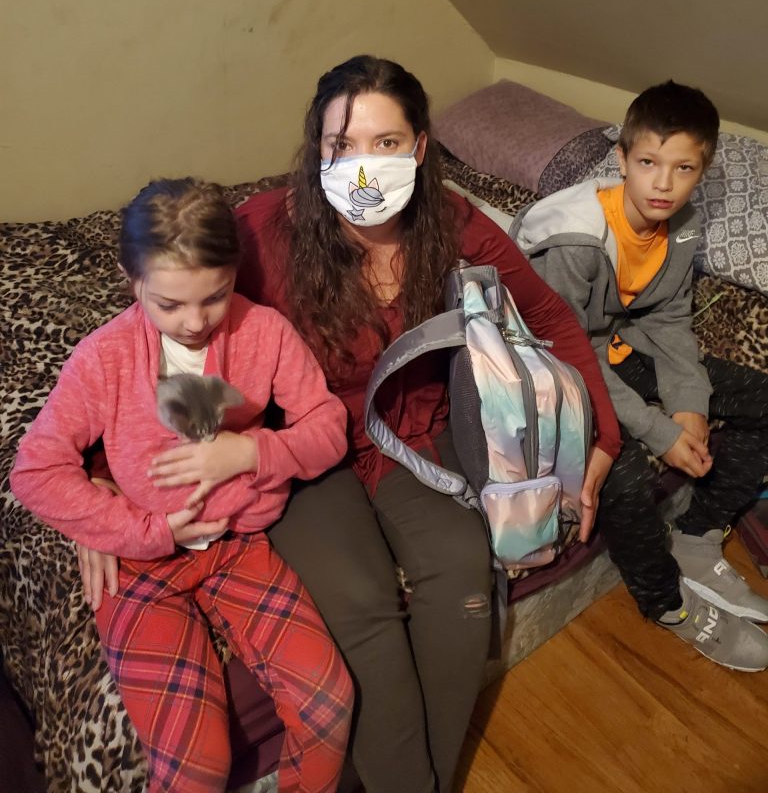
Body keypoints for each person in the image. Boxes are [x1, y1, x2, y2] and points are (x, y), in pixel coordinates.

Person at [76, 57, 621, 793]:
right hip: (299, 453)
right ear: (317, 151)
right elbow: (156, 332)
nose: (363, 165)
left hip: (411, 438)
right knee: (360, 604)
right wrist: (95, 485)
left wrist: (602, 438)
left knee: (462, 580)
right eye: (342, 145)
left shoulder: (454, 225)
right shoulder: (263, 233)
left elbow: (548, 315)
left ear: (420, 148)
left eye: (385, 143)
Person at [11, 178, 353, 793]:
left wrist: (251, 451)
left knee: (328, 704)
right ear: (132, 281)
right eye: (169, 305)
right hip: (140, 566)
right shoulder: (103, 358)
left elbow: (328, 428)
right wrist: (139, 529)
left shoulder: (265, 332)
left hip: (239, 546)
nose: (195, 323)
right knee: (195, 767)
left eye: (215, 297)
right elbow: (36, 470)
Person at [511, 80, 768, 672]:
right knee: (620, 473)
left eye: (683, 168)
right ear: (622, 158)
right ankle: (666, 603)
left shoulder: (683, 224)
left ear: (702, 172)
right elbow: (569, 352)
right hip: (561, 361)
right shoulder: (575, 242)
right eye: (649, 163)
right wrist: (660, 431)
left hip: (620, 344)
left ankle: (697, 536)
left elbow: (670, 317)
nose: (663, 184)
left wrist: (689, 404)